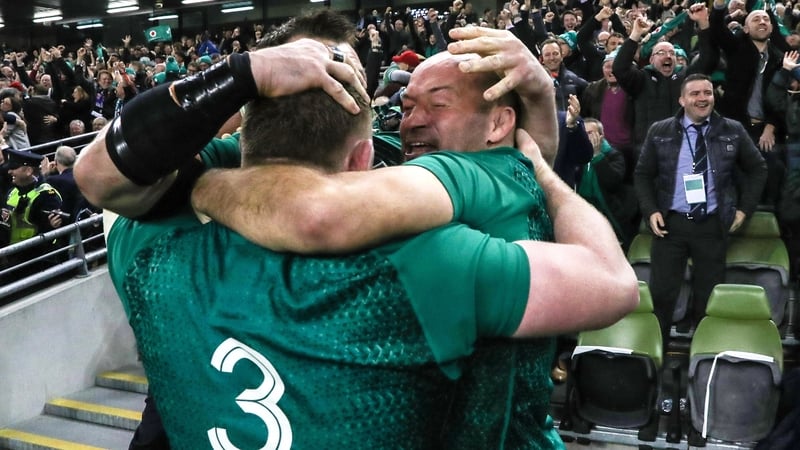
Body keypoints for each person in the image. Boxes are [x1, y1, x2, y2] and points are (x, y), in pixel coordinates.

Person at [75, 14, 636, 450]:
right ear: (362, 157)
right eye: (314, 66)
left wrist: (233, 95)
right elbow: (318, 213)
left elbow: (106, 174)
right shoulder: (425, 263)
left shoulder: (145, 246)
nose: (413, 119)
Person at [634, 73, 767, 342]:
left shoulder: (732, 130)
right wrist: (650, 210)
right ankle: (656, 358)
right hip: (670, 225)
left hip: (712, 225)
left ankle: (702, 359)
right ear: (682, 100)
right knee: (661, 296)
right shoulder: (660, 130)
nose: (702, 98)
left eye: (707, 92)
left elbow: (758, 169)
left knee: (708, 299)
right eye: (695, 93)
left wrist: (744, 209)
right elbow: (642, 174)